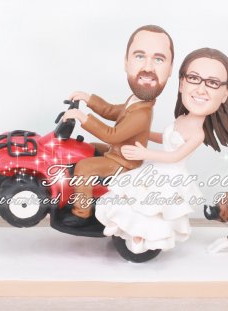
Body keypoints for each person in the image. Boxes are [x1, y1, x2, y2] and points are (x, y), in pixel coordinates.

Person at [95, 47, 228, 253]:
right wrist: (144, 132)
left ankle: (142, 235)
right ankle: (122, 224)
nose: (201, 90)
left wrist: (145, 154)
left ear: (225, 94)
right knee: (134, 199)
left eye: (212, 83)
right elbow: (165, 137)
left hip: (171, 177)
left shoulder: (197, 134)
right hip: (158, 169)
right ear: (182, 83)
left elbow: (175, 155)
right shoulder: (182, 119)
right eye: (194, 78)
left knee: (153, 208)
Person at [61, 25, 174, 227]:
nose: (148, 67)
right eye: (140, 56)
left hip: (124, 161)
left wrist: (82, 117)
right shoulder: (135, 101)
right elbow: (113, 111)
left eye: (158, 59)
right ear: (126, 62)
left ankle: (81, 213)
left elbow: (113, 135)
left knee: (84, 167)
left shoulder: (142, 113)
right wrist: (88, 99)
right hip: (117, 152)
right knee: (87, 148)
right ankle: (88, 194)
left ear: (170, 68)